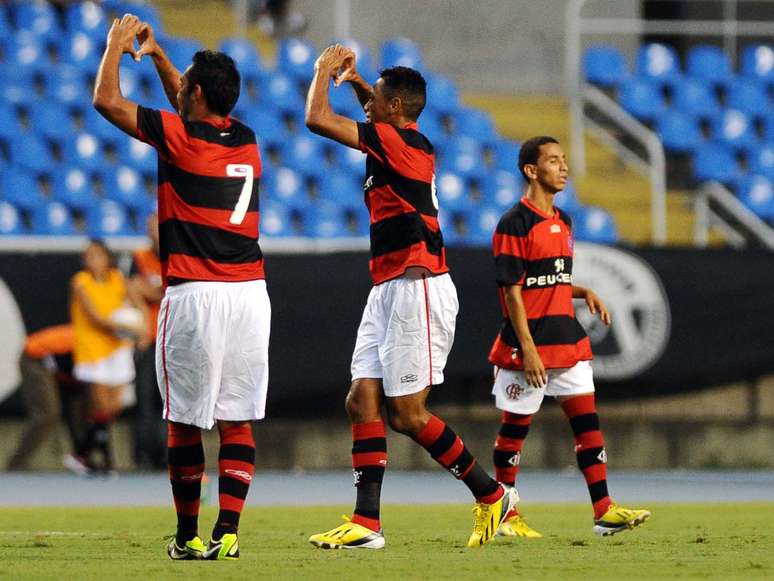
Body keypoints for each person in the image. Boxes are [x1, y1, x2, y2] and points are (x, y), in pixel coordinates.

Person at [304, 45, 516, 550]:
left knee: (407, 414)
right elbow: (375, 114)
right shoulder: (395, 140)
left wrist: (322, 71)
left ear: (394, 108)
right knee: (362, 399)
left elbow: (315, 118)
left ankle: (491, 495)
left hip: (417, 287)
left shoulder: (402, 144)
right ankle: (366, 524)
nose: (367, 105)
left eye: (374, 99)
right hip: (389, 288)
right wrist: (358, 82)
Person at [93, 14, 270, 561]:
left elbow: (107, 102)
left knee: (186, 420)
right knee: (235, 417)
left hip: (195, 292)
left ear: (194, 94)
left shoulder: (179, 136)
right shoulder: (244, 137)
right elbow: (189, 100)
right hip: (250, 293)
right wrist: (166, 59)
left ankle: (189, 535)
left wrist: (115, 49)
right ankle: (230, 533)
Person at [488, 136, 651, 537]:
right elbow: (512, 291)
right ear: (531, 170)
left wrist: (583, 292)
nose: (564, 167)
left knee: (588, 425)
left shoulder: (565, 221)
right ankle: (504, 513)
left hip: (567, 339)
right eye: (554, 161)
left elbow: (551, 280)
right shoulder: (514, 223)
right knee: (515, 430)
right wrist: (527, 350)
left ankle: (604, 510)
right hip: (528, 346)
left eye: (565, 159)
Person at [67, 239, 148, 476]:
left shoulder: (117, 278)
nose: (91, 260)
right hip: (93, 349)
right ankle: (104, 461)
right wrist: (133, 329)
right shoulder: (80, 282)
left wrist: (144, 326)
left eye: (97, 255)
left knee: (114, 406)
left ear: (107, 257)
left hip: (118, 348)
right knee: (100, 405)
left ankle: (81, 452)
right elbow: (96, 318)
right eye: (88, 255)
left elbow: (138, 303)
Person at [6, 325, 87, 470]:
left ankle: (83, 459)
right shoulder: (93, 344)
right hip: (35, 359)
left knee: (79, 412)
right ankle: (16, 464)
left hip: (62, 367)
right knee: (48, 413)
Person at [130, 212, 166, 469]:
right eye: (150, 226)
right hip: (148, 337)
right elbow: (132, 289)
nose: (153, 230)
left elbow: (173, 290)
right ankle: (143, 455)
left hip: (172, 339)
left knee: (172, 402)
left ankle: (169, 456)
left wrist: (151, 292)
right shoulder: (140, 257)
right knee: (144, 400)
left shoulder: (177, 254)